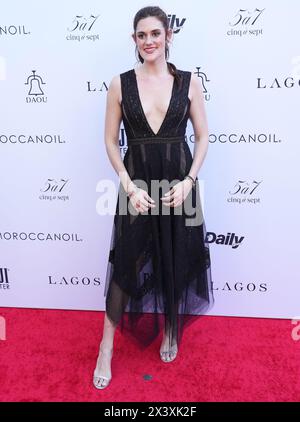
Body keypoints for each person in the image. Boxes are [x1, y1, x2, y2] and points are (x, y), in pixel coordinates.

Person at [93, 5, 214, 389]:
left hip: (180, 187)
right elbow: (111, 142)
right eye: (141, 35)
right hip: (137, 186)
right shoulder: (120, 84)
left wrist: (189, 181)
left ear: (168, 36)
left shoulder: (190, 83)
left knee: (175, 257)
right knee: (126, 263)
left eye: (155, 34)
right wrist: (127, 183)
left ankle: (171, 330)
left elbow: (204, 137)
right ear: (134, 40)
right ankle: (105, 347)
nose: (149, 41)